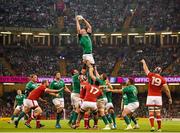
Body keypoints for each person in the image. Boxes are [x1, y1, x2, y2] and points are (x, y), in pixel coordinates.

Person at [140, 59, 172, 132]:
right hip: (158, 97)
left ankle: (152, 127)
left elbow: (145, 69)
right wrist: (170, 98)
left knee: (151, 112)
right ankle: (159, 128)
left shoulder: (151, 75)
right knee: (158, 112)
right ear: (160, 72)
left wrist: (144, 62)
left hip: (150, 96)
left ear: (155, 70)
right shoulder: (162, 79)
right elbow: (167, 90)